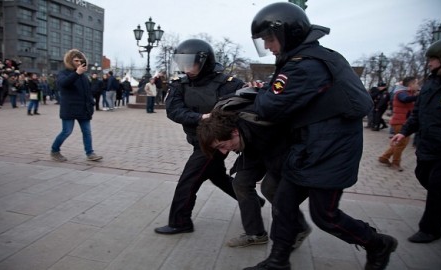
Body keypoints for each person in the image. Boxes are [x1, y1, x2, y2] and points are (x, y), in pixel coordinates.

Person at [245, 3, 397, 270]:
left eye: (269, 39)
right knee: (283, 202)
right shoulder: (305, 59)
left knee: (325, 215)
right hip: (310, 145)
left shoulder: (306, 65)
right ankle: (278, 261)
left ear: (288, 33)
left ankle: (378, 243)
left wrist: (258, 95)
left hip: (330, 149)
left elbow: (269, 106)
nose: (268, 46)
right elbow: (274, 96)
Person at [154, 39, 244, 235]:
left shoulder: (229, 84)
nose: (185, 68)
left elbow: (241, 108)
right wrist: (201, 117)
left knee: (189, 181)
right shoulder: (180, 84)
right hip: (197, 141)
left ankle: (180, 222)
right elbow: (174, 111)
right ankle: (252, 200)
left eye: (190, 63)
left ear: (204, 61)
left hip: (215, 144)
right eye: (182, 63)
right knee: (218, 177)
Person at [197, 107, 311, 248]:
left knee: (270, 188)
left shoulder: (263, 128)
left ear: (235, 132)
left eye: (222, 145)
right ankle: (256, 234)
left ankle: (299, 228)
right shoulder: (237, 132)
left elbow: (281, 163)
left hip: (279, 152)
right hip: (253, 149)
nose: (224, 151)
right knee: (240, 183)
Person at [391, 38, 441, 244]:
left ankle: (430, 229)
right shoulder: (431, 83)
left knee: (436, 185)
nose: (429, 63)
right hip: (427, 144)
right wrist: (404, 132)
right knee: (422, 174)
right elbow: (418, 113)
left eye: (433, 59)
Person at [50, 49, 102, 162]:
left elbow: (88, 93)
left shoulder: (84, 76)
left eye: (80, 60)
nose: (79, 62)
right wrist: (77, 73)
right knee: (66, 131)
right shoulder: (63, 73)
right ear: (70, 61)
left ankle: (90, 153)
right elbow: (63, 84)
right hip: (69, 108)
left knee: (87, 132)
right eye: (76, 60)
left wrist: (91, 105)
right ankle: (54, 150)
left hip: (83, 109)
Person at [378, 76, 419, 171]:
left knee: (399, 143)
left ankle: (384, 158)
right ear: (410, 85)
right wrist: (419, 96)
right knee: (401, 144)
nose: (418, 86)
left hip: (403, 121)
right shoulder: (401, 93)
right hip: (400, 121)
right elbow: (405, 99)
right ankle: (395, 163)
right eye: (416, 83)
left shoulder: (407, 92)